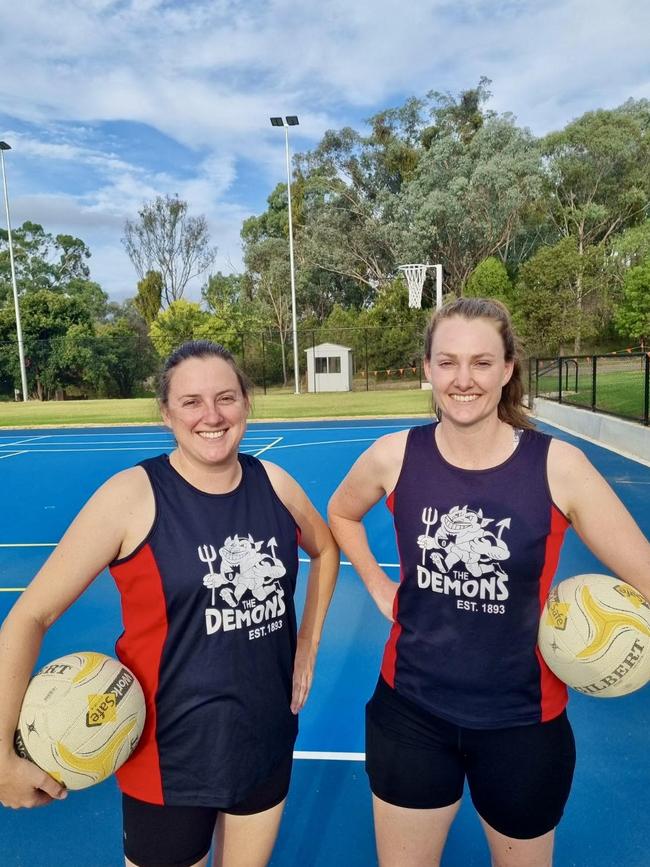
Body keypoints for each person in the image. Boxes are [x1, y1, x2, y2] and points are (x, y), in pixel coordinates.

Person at [327, 298, 650, 867]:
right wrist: (380, 587)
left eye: (481, 362)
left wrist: (614, 645)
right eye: (447, 362)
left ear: (507, 369)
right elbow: (341, 512)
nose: (463, 379)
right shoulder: (395, 456)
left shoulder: (559, 467)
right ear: (427, 368)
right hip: (410, 714)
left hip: (523, 727)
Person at [0, 340, 339, 867]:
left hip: (265, 736)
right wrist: (1, 755)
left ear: (246, 403)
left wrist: (308, 644)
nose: (212, 415)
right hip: (169, 757)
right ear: (166, 412)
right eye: (191, 402)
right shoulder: (131, 497)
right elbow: (29, 616)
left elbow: (326, 548)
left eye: (226, 398)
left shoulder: (275, 484)